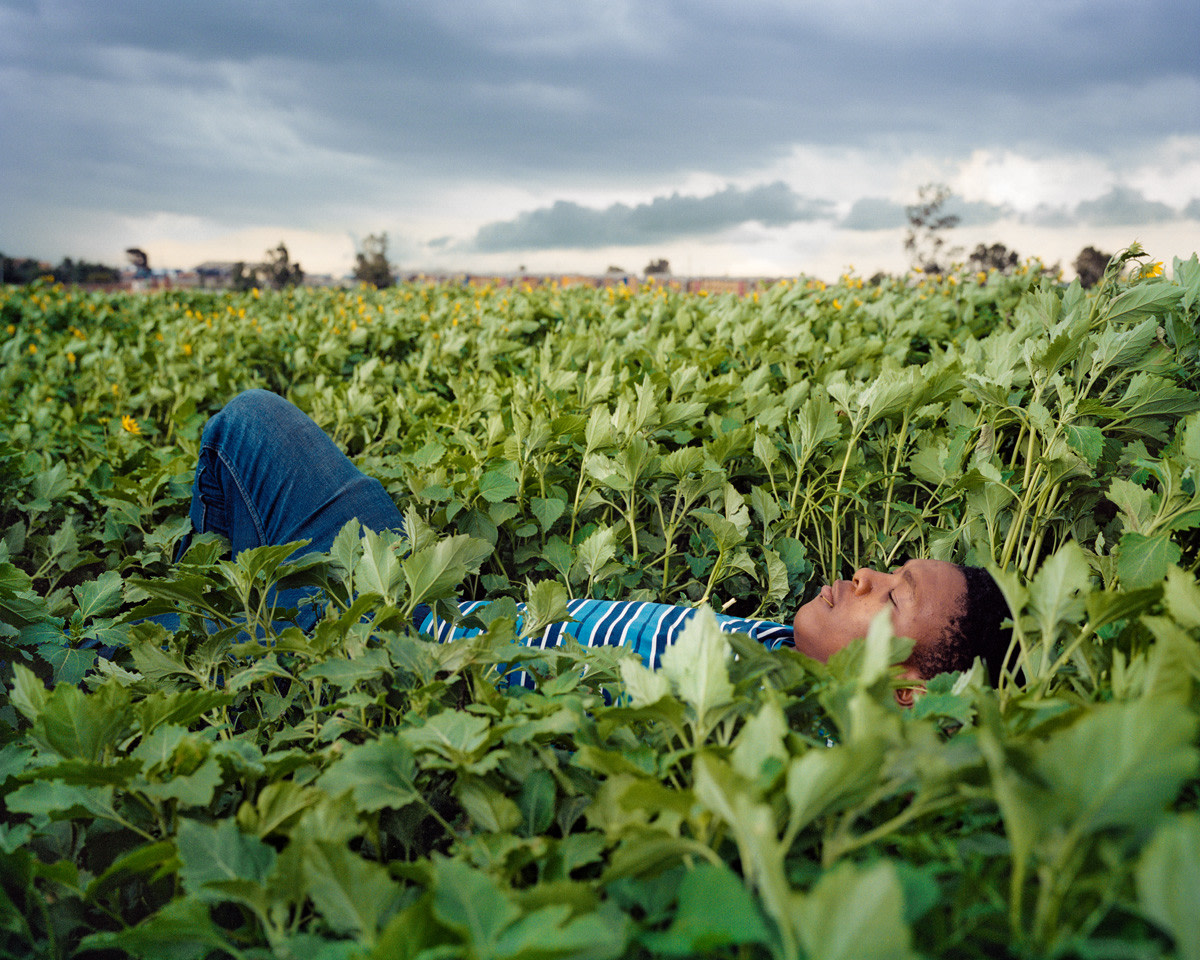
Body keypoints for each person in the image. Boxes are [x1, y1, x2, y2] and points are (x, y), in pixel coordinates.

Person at [181, 389, 1011, 703]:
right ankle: (229, 625)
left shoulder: (769, 720)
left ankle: (226, 646)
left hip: (376, 644)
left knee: (248, 427)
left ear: (911, 691)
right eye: (887, 571)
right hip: (405, 589)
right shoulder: (773, 647)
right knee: (266, 435)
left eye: (893, 595)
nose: (864, 574)